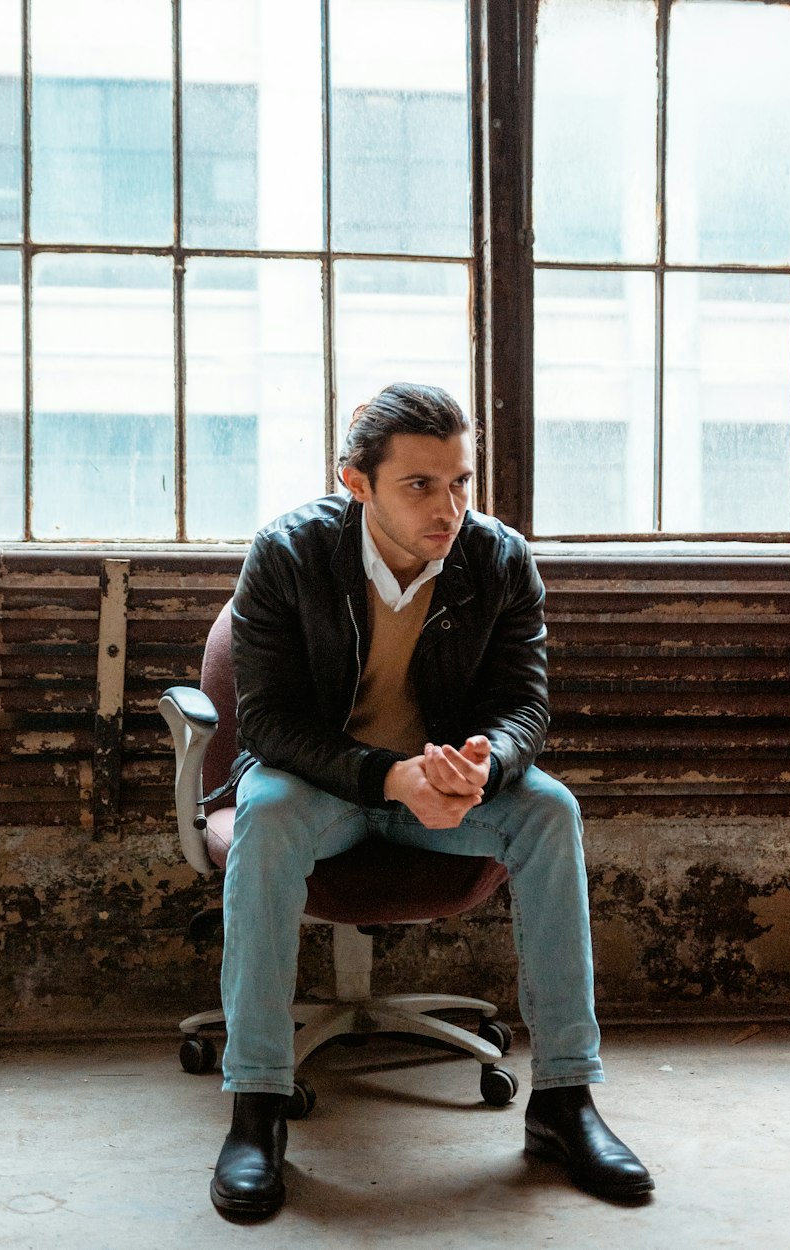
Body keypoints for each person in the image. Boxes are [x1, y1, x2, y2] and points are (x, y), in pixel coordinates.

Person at [209, 382, 653, 1219]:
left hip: (449, 788)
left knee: (551, 811)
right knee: (263, 819)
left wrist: (487, 764)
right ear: (357, 482)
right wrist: (388, 777)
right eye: (420, 484)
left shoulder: (500, 558)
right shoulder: (287, 553)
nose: (448, 505)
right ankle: (258, 1108)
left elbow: (526, 704)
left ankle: (565, 1101)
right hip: (323, 784)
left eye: (460, 482)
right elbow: (266, 722)